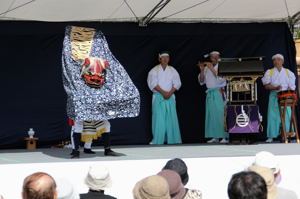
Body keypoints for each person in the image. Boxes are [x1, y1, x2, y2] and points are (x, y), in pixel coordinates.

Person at [147, 51, 182, 144]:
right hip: (159, 96)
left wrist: (169, 93)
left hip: (170, 96)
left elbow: (177, 83)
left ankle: (173, 139)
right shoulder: (154, 70)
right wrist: (163, 93)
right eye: (163, 57)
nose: (165, 59)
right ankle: (157, 139)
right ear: (159, 59)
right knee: (159, 119)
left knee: (171, 118)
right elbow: (153, 84)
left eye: (167, 57)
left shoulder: (172, 70)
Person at [262, 54, 296, 143]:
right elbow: (266, 85)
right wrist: (275, 88)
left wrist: (289, 89)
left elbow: (292, 86)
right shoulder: (270, 72)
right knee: (273, 116)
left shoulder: (289, 72)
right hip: (274, 95)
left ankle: (287, 134)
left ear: (282, 61)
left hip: (286, 97)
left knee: (287, 115)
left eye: (279, 60)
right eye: (275, 60)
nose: (277, 62)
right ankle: (271, 136)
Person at [198, 51, 228, 143]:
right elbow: (201, 81)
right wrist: (202, 70)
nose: (214, 59)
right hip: (210, 93)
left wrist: (212, 69)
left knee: (221, 114)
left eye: (216, 57)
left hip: (219, 92)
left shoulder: (222, 66)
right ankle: (215, 137)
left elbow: (221, 79)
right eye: (212, 57)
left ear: (219, 57)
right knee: (211, 115)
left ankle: (224, 137)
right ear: (210, 58)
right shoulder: (206, 68)